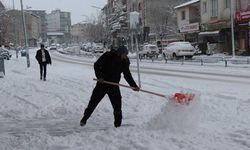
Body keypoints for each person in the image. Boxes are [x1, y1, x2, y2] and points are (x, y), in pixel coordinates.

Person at [80, 45, 140, 128]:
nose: (126, 57)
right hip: (102, 84)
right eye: (124, 55)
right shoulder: (108, 56)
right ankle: (84, 119)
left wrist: (134, 86)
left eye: (126, 55)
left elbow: (127, 75)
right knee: (93, 102)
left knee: (117, 105)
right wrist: (99, 77)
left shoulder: (125, 61)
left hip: (114, 85)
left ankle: (118, 125)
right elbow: (96, 65)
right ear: (119, 54)